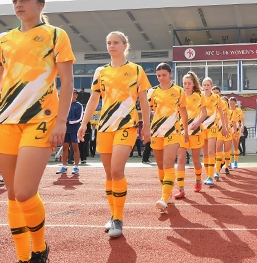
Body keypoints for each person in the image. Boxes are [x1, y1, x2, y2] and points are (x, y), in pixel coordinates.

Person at [0, 0, 75, 263]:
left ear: (40, 4)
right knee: (13, 195)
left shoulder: (56, 35)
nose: (18, 4)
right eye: (14, 0)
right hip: (5, 122)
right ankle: (22, 259)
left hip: (39, 121)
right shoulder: (4, 39)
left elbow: (66, 82)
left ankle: (40, 249)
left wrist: (61, 122)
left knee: (26, 192)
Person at [78, 31, 151, 238]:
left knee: (117, 171)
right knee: (109, 174)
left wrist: (146, 126)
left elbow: (143, 101)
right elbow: (93, 100)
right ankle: (112, 214)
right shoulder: (100, 72)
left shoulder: (136, 70)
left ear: (125, 45)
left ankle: (118, 218)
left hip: (127, 125)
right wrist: (84, 124)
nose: (112, 46)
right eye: (108, 42)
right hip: (104, 127)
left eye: (116, 42)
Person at [147, 63, 188, 213]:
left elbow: (183, 112)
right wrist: (145, 128)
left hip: (173, 132)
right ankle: (167, 191)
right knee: (160, 165)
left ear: (170, 74)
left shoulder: (179, 91)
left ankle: (164, 197)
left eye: (164, 75)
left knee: (168, 163)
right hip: (156, 132)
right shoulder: (152, 92)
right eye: (158, 76)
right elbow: (147, 111)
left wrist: (186, 131)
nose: (161, 78)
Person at [173, 72, 208, 198]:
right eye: (184, 83)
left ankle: (198, 180)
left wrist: (198, 122)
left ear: (193, 84)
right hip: (182, 132)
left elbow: (204, 113)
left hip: (196, 132)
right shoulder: (178, 95)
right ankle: (181, 188)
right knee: (181, 159)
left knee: (195, 160)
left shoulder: (199, 96)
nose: (186, 85)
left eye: (189, 83)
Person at [201, 78, 228, 186]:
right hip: (202, 127)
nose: (206, 86)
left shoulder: (216, 97)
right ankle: (208, 174)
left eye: (208, 84)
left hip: (213, 127)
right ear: (202, 86)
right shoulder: (200, 96)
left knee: (211, 151)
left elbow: (222, 112)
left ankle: (210, 176)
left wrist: (225, 127)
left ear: (211, 85)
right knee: (205, 153)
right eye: (204, 85)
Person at [56, 90, 84, 175]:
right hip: (65, 129)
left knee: (75, 147)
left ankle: (76, 167)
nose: (74, 96)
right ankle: (64, 166)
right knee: (65, 147)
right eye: (72, 94)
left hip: (75, 129)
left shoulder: (79, 105)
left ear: (77, 96)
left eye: (75, 94)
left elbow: (79, 118)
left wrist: (69, 121)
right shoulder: (64, 105)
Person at [229, 97, 244, 168]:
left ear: (236, 103)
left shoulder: (239, 110)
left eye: (233, 103)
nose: (232, 105)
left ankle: (235, 162)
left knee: (235, 147)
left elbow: (242, 120)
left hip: (237, 131)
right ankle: (228, 162)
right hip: (228, 131)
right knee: (228, 148)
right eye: (230, 103)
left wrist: (242, 126)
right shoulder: (227, 110)